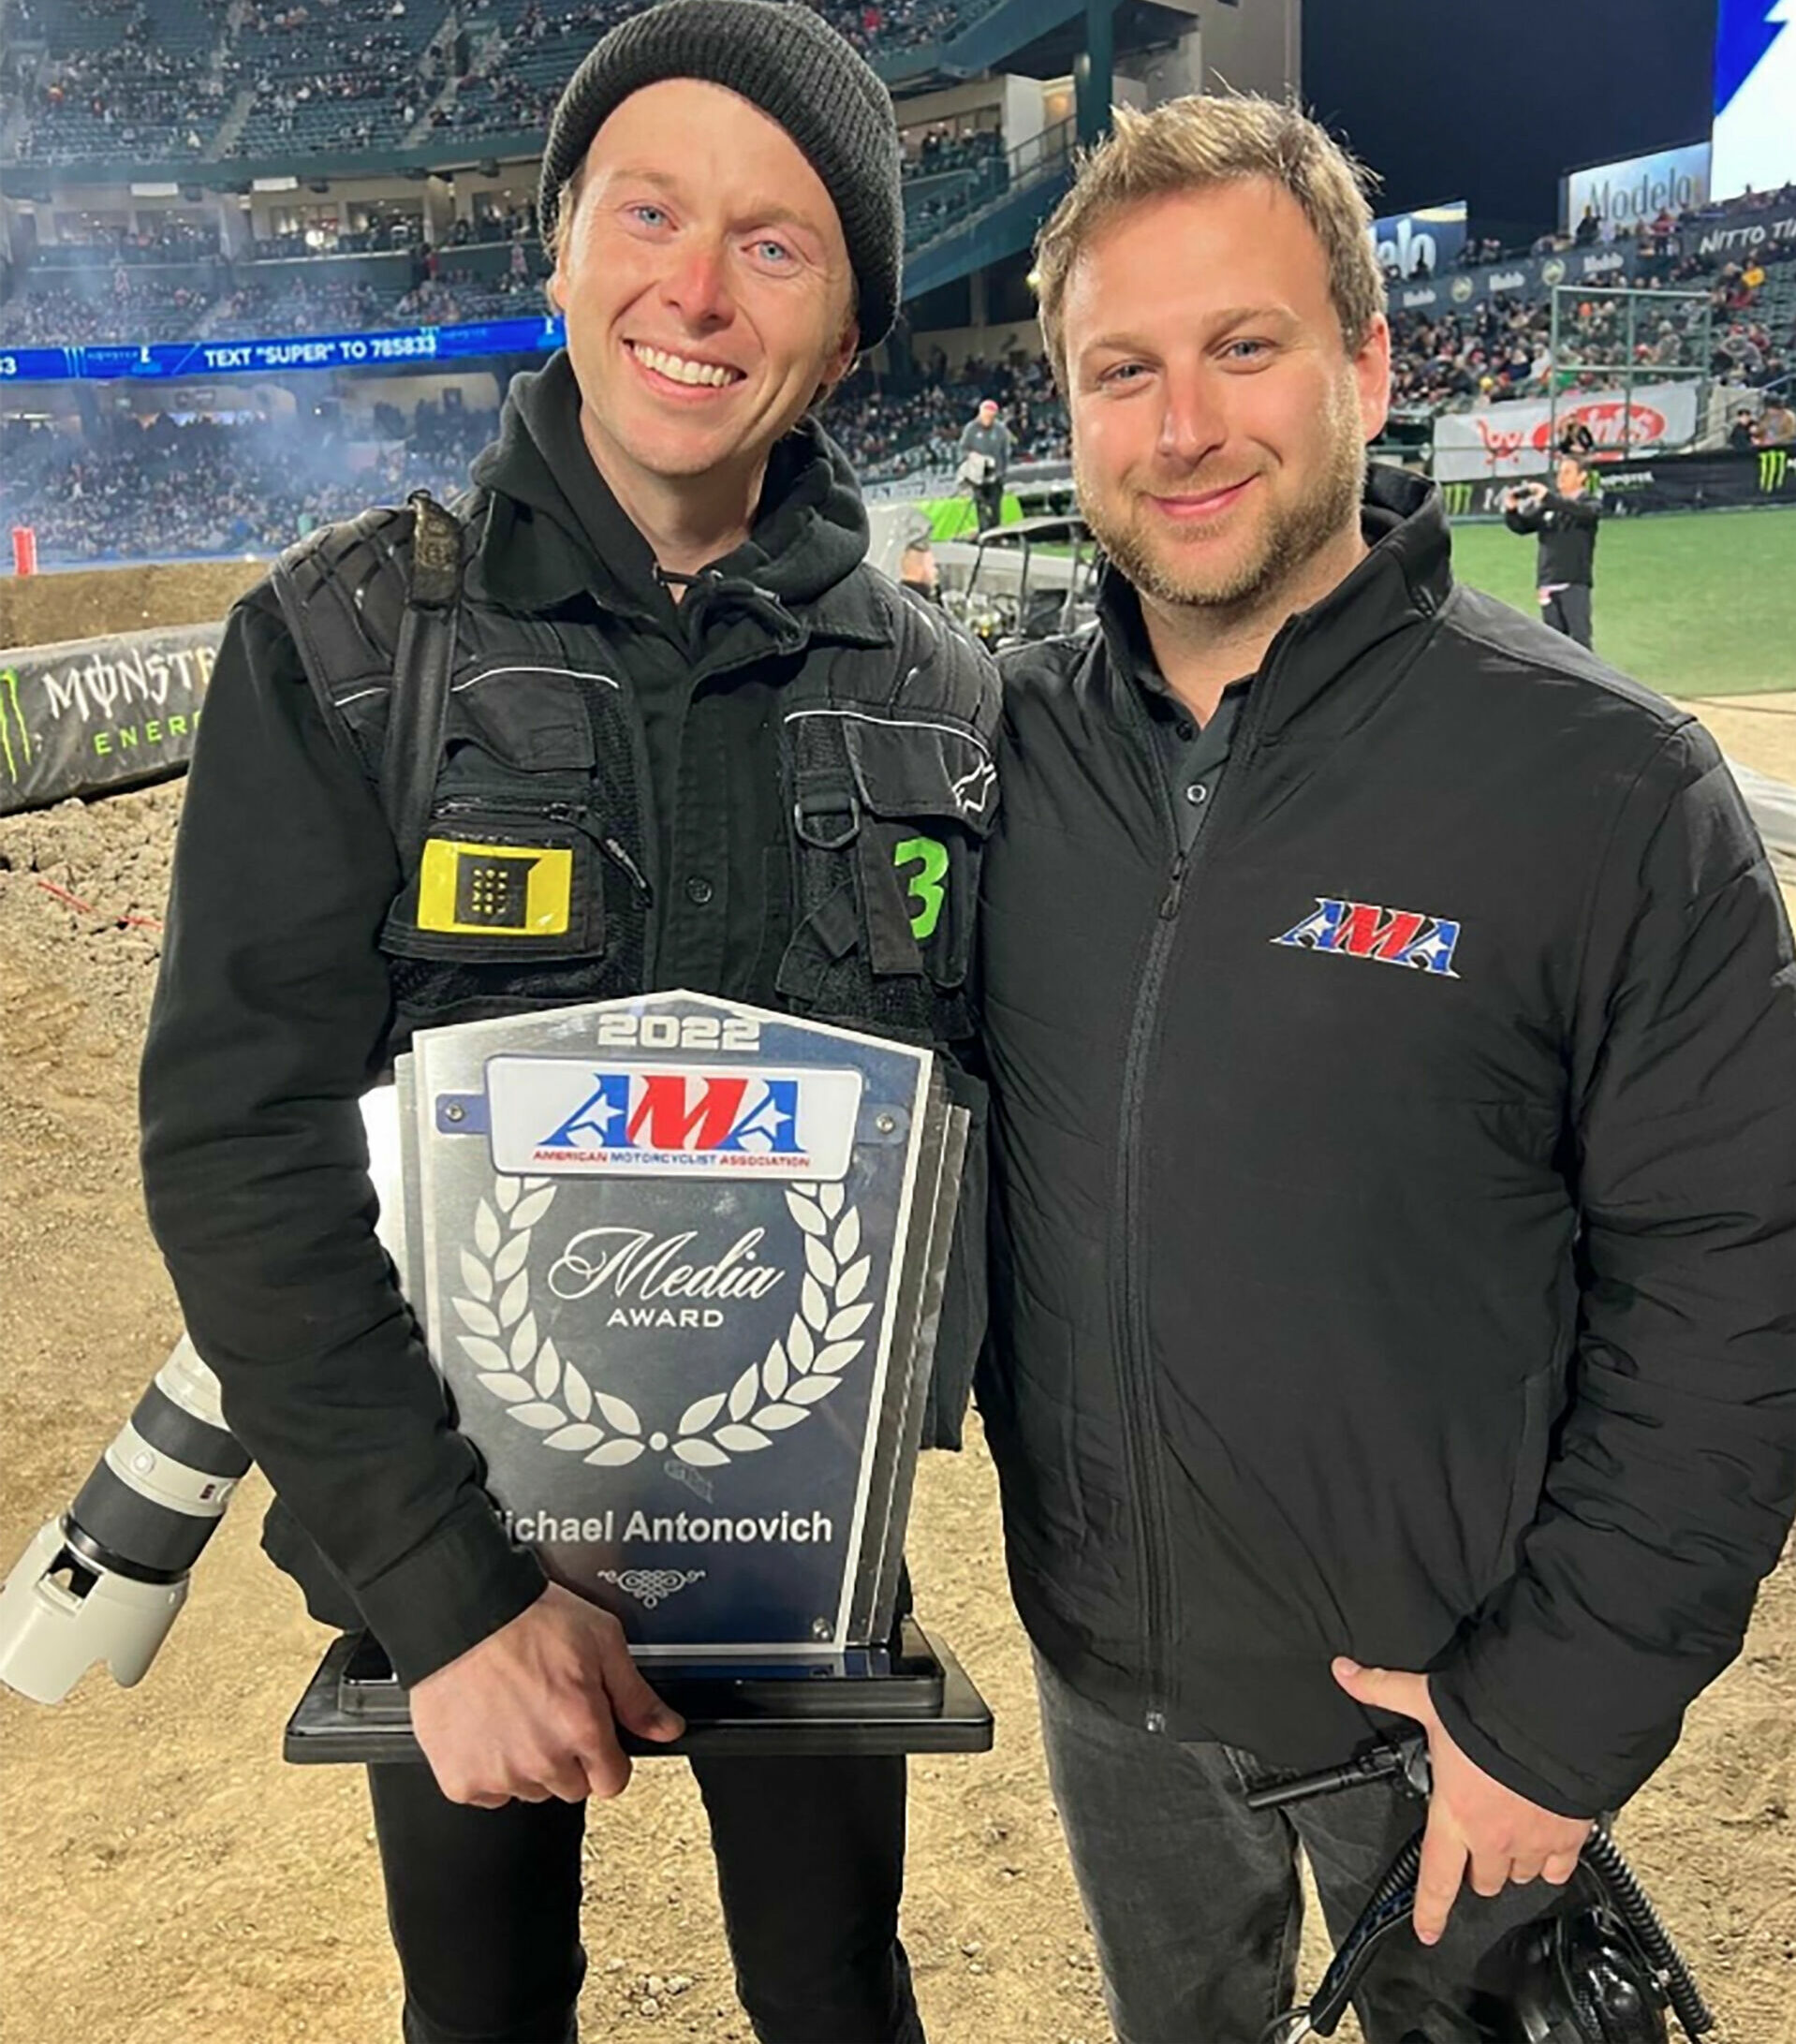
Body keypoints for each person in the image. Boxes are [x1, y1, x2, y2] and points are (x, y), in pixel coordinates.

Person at [137, 6, 998, 2042]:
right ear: (555, 247)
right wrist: (443, 1596)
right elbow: (234, 1144)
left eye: (774, 243)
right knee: (486, 2001)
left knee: (831, 1993)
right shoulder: (340, 656)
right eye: (646, 212)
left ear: (853, 327)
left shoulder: (958, 712)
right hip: (440, 1545)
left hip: (805, 1560)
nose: (693, 289)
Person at [976, 92, 1796, 2044]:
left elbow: (1733, 1288)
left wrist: (1552, 1718)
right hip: (1107, 1673)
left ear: (1362, 356)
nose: (1180, 426)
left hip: (1448, 1710)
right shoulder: (993, 761)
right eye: (1121, 367)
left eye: (1240, 347)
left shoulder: (1607, 787)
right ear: (1065, 408)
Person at [1502, 453, 1602, 648]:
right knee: (1554, 644)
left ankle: (1585, 678)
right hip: (1548, 582)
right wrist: (1511, 510)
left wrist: (1548, 497)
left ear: (1582, 476)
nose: (1561, 478)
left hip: (1574, 582)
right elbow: (1523, 526)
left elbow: (1582, 512)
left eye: (1567, 472)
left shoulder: (1589, 504)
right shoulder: (1548, 507)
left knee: (1580, 643)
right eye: (1559, 473)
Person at [956, 393, 1011, 532]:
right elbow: (963, 449)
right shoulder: (971, 429)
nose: (988, 420)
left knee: (995, 506)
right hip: (977, 475)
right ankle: (984, 532)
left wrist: (1002, 472)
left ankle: (996, 532)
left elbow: (1005, 453)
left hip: (995, 475)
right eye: (986, 416)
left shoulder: (1000, 430)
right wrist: (972, 456)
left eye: (991, 417)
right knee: (980, 505)